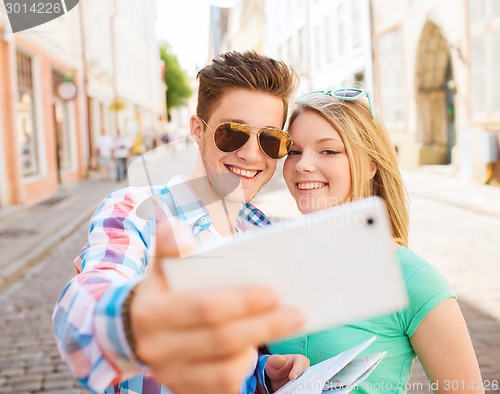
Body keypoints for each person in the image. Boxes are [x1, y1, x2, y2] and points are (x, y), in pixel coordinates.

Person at [52, 51, 309, 394]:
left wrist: (262, 372)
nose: (251, 154)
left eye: (270, 139)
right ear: (198, 131)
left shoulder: (261, 232)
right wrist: (138, 320)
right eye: (233, 134)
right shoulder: (139, 211)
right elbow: (80, 316)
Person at [268, 89, 484, 393]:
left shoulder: (414, 280)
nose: (303, 165)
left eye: (328, 151)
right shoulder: (271, 263)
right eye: (294, 151)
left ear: (371, 164)